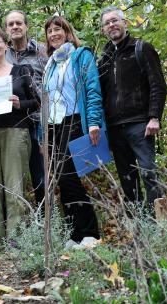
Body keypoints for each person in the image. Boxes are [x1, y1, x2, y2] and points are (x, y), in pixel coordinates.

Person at [42, 16, 104, 242]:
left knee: (70, 177)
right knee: (60, 179)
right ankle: (74, 234)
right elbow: (46, 100)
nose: (53, 34)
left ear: (67, 32)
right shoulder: (50, 63)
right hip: (54, 126)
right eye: (49, 31)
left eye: (57, 29)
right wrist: (43, 134)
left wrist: (94, 121)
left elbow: (92, 89)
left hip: (76, 121)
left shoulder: (81, 55)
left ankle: (89, 233)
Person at [97, 7, 167, 207]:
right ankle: (138, 229)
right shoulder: (105, 58)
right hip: (115, 128)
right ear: (103, 30)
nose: (112, 25)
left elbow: (158, 85)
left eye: (115, 20)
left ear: (125, 23)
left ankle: (161, 227)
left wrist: (154, 117)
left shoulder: (141, 48)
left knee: (149, 173)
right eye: (107, 23)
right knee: (127, 180)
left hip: (140, 124)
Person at [0, 27, 39, 237]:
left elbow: (38, 102)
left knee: (14, 187)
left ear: (6, 45)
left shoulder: (22, 71)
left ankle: (15, 240)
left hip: (16, 131)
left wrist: (20, 104)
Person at [3, 10, 48, 206]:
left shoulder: (43, 52)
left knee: (40, 176)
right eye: (11, 24)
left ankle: (48, 224)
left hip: (39, 122)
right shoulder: (2, 55)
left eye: (18, 23)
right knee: (15, 178)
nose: (15, 27)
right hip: (14, 124)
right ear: (6, 29)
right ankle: (21, 226)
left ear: (26, 26)